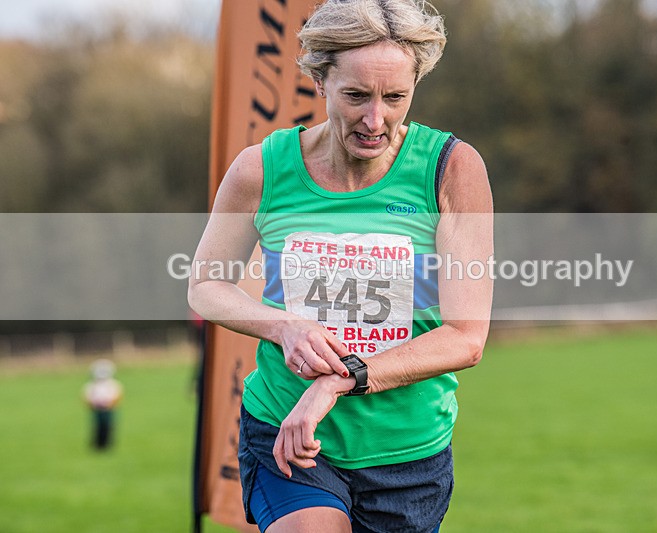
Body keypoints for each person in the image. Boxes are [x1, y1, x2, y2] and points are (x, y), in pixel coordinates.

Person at [188, 1, 493, 531]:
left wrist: (338, 380)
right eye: (356, 96)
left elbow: (465, 337)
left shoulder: (451, 170)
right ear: (319, 79)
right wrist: (283, 326)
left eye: (395, 97)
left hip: (405, 454)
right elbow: (206, 285)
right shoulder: (262, 169)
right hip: (288, 430)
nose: (376, 120)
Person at [83, 358, 123, 451]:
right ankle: (97, 445)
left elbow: (117, 396)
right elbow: (87, 397)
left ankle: (107, 445)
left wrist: (111, 404)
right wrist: (92, 405)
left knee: (108, 426)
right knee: (97, 427)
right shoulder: (92, 385)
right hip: (97, 409)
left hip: (108, 409)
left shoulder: (113, 384)